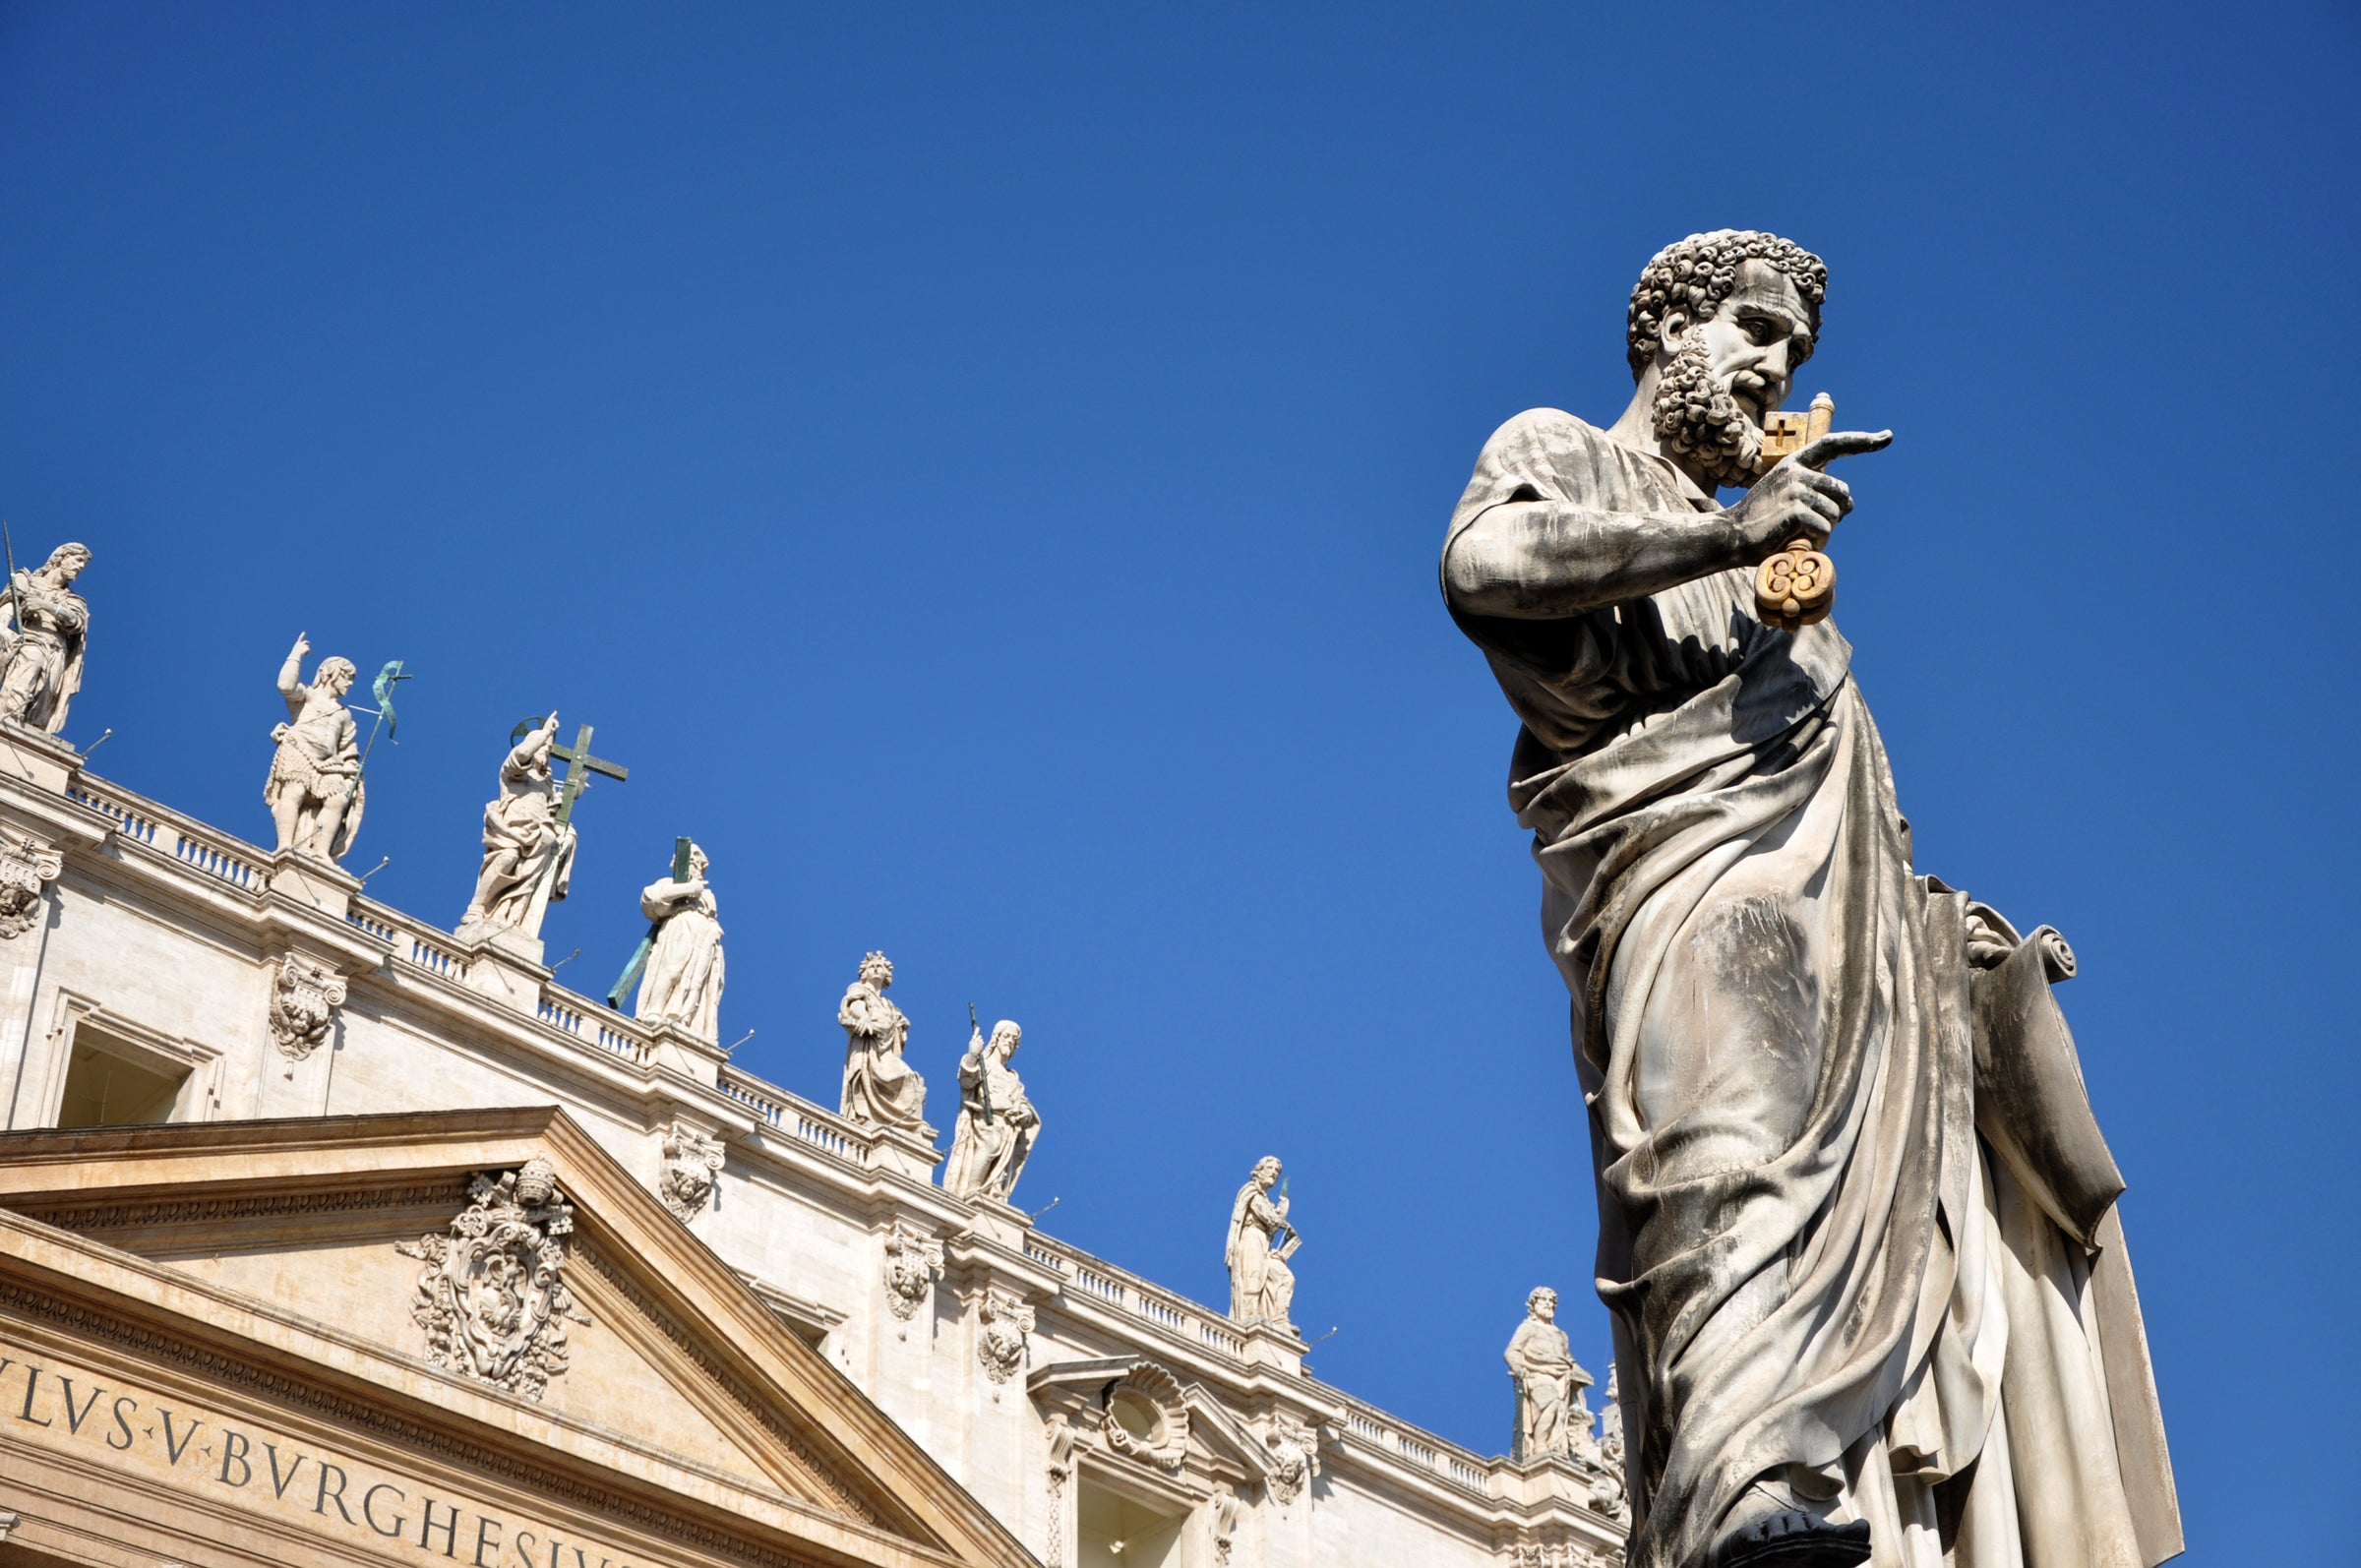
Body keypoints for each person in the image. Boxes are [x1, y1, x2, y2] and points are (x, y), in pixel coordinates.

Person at [1441, 231, 2176, 1568]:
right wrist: (1725, 530)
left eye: (1792, 348)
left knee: (1826, 1208)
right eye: (1754, 332)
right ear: (1669, 335)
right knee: (1717, 1169)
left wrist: (1960, 958)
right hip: (1674, 889)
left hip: (1833, 965)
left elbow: (1857, 856)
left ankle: (1795, 1486)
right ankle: (1740, 1494)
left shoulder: (1791, 617)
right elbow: (1481, 567)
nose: (1777, 366)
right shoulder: (1566, 452)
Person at [461, 713, 574, 938]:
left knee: (529, 880)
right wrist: (543, 735)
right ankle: (477, 907)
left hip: (539, 838)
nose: (546, 753)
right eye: (543, 748)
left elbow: (553, 812)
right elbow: (522, 753)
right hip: (510, 832)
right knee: (507, 858)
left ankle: (512, 917)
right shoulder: (513, 773)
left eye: (548, 750)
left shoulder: (546, 786)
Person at [265, 633, 363, 860]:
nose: (349, 683)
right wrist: (295, 656)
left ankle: (320, 850)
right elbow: (285, 685)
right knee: (295, 791)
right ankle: (285, 845)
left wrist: (351, 768)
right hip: (299, 748)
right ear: (331, 673)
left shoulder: (344, 714)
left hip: (330, 763)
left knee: (338, 800)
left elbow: (348, 748)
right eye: (346, 677)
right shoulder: (309, 695)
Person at [0, 542, 91, 734]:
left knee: (44, 701)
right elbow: (7, 607)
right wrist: (4, 629)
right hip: (32, 640)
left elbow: (75, 620)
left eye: (83, 564)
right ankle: (8, 721)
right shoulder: (27, 580)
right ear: (61, 557)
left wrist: (44, 605)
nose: (80, 567)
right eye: (78, 560)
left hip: (58, 651)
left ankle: (30, 736)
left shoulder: (73, 599)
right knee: (30, 666)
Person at [635, 842, 724, 1038]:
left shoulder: (706, 894)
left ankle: (685, 1018)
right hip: (681, 926)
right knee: (672, 970)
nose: (692, 865)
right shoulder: (670, 883)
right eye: (688, 860)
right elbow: (650, 900)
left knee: (696, 982)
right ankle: (655, 1011)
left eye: (695, 861)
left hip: (705, 934)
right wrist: (689, 888)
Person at [943, 1018, 1039, 1201]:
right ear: (996, 1038)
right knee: (991, 1143)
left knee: (998, 1158)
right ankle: (971, 1190)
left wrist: (1025, 1112)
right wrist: (972, 1054)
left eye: (1014, 1040)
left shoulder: (1013, 1078)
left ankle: (988, 1192)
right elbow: (967, 1079)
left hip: (1008, 1126)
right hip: (986, 1120)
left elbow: (1022, 1101)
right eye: (1007, 1036)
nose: (1010, 1041)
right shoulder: (984, 1063)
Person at [837, 952, 927, 1131]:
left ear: (886, 975)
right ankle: (866, 1117)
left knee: (911, 1079)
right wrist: (863, 1017)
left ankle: (908, 1126)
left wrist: (900, 1028)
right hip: (868, 1050)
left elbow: (897, 1036)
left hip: (884, 1052)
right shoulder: (859, 988)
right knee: (871, 1081)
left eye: (880, 967)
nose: (877, 969)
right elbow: (855, 1005)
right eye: (872, 966)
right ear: (864, 973)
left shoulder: (890, 1005)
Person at [1505, 1286, 1593, 1461]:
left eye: (1551, 1301)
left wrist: (1583, 1375)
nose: (1549, 1304)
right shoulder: (1528, 1328)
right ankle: (1540, 1445)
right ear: (1533, 1305)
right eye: (1544, 1300)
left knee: (1560, 1412)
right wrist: (1518, 1367)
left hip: (1561, 1377)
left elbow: (1569, 1359)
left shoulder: (1561, 1335)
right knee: (1550, 1403)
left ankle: (1554, 1447)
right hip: (1537, 1373)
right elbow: (1512, 1351)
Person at [1224, 1156, 1299, 1325]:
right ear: (1259, 1170)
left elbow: (1272, 1222)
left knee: (1285, 1277)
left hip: (1263, 1242)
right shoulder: (1251, 1191)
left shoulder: (1265, 1199)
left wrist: (1282, 1212)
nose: (1274, 1174)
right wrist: (1282, 1220)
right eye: (1270, 1168)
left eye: (1277, 1172)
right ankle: (1248, 1319)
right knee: (1253, 1279)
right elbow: (1267, 1218)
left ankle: (1277, 1318)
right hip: (1252, 1239)